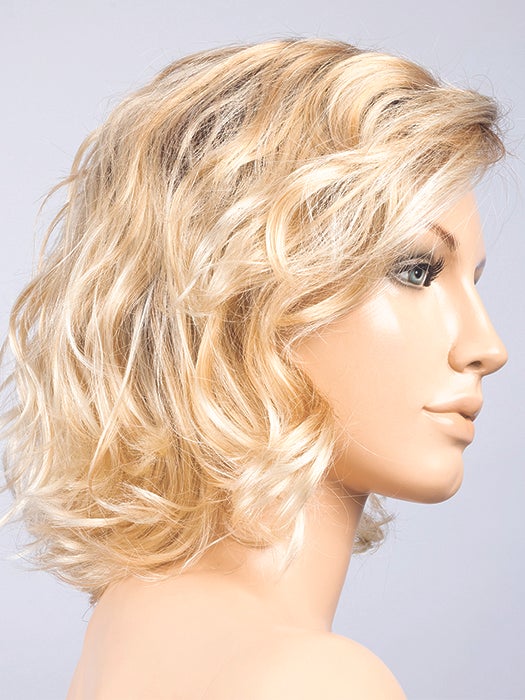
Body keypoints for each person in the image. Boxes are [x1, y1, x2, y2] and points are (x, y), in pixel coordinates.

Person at [0, 37, 508, 699]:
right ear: (245, 295)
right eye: (416, 271)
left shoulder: (127, 620)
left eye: (472, 281)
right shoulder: (316, 679)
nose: (487, 346)